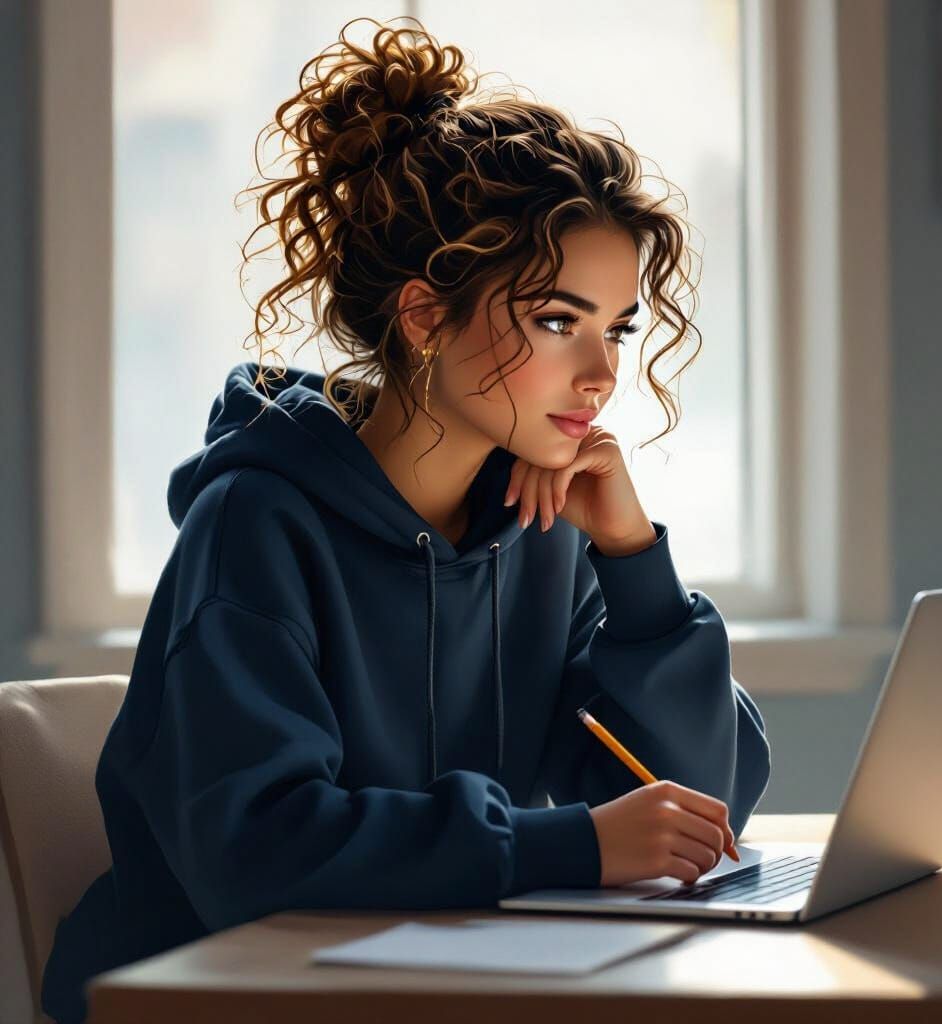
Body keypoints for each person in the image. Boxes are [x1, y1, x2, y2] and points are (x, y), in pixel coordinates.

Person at [41, 16, 771, 1024]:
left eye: (615, 328)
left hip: (425, 988)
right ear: (425, 316)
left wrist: (634, 566)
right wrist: (567, 845)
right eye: (558, 320)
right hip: (213, 999)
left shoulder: (542, 523)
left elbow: (701, 810)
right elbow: (259, 847)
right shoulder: (256, 521)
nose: (601, 374)